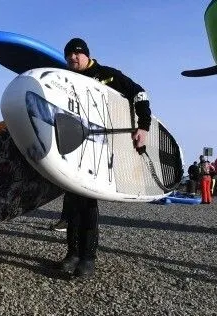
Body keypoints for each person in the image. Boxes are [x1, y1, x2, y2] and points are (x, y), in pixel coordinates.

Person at [56, 38, 153, 278]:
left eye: (77, 55)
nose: (72, 59)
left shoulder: (107, 75)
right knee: (72, 202)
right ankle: (72, 254)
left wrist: (144, 126)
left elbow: (139, 93)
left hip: (99, 149)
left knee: (88, 203)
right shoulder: (67, 79)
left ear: (87, 55)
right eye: (69, 56)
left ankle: (88, 258)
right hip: (73, 147)